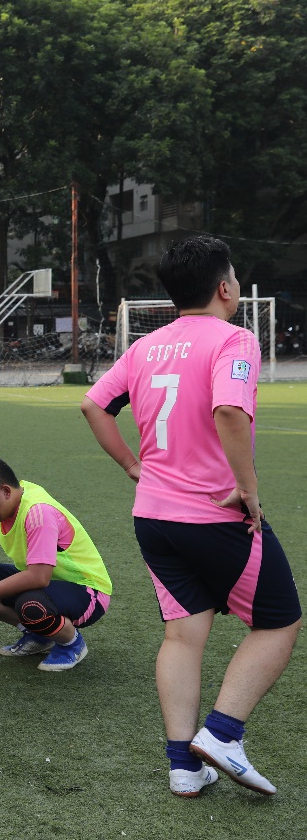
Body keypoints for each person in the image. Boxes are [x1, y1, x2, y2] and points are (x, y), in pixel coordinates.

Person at [82, 236, 300, 798]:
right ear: (225, 288)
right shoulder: (235, 338)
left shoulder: (145, 346)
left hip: (153, 516)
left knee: (182, 634)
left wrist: (132, 465)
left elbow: (93, 405)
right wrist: (248, 489)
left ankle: (183, 765)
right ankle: (223, 733)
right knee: (279, 621)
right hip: (214, 514)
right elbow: (228, 408)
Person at [0, 455, 112, 671]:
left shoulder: (38, 512)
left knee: (31, 605)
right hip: (47, 585)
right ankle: (39, 634)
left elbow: (39, 577)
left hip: (88, 591)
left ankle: (71, 643)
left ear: (5, 491)